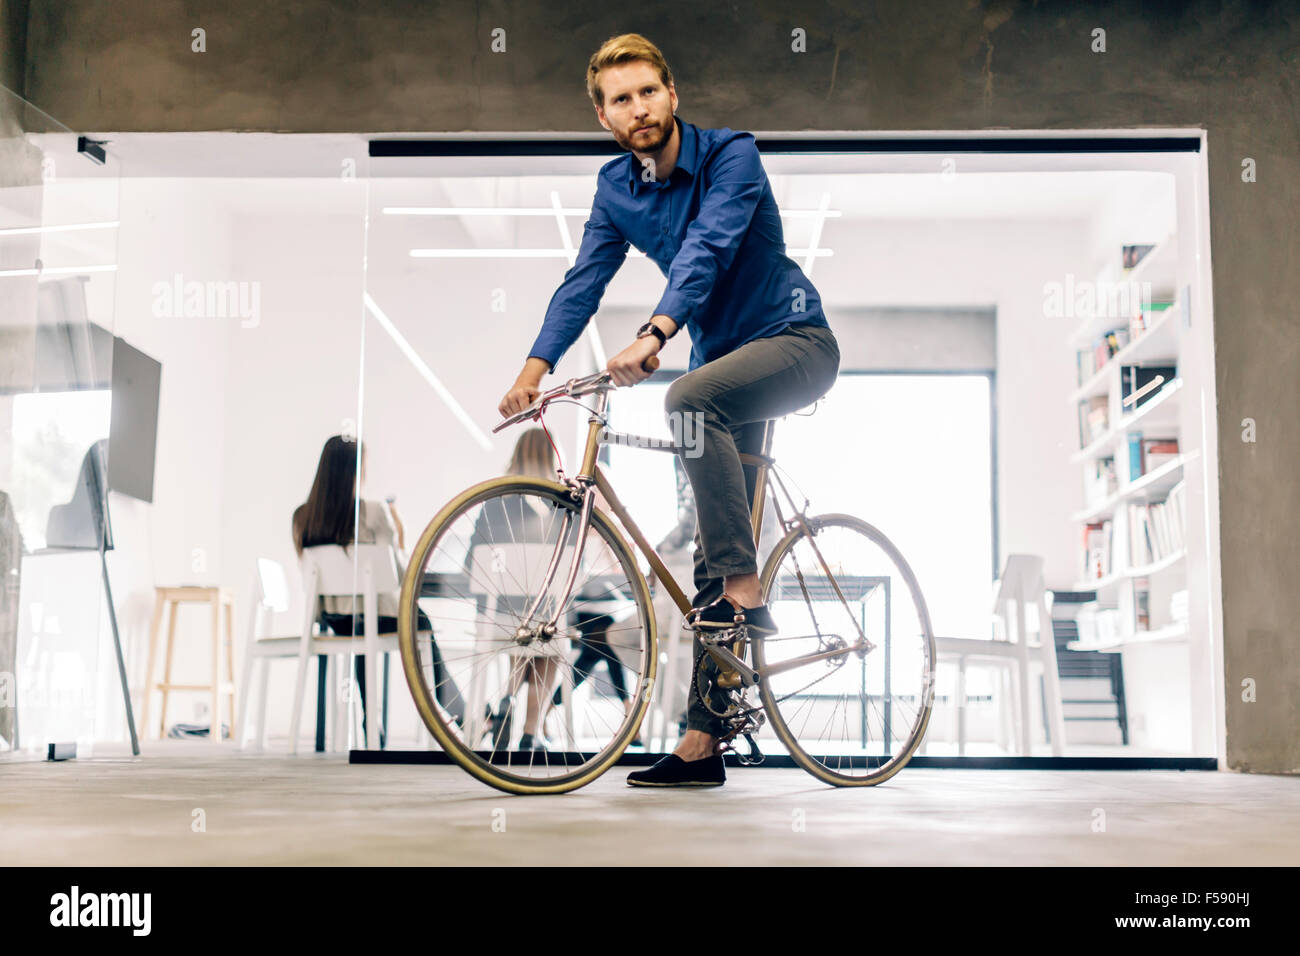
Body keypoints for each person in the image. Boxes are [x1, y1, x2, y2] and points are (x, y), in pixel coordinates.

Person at [497, 34, 840, 787]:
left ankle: (745, 588)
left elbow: (707, 249)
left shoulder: (731, 156)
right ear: (604, 116)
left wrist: (655, 333)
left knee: (686, 399)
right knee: (707, 540)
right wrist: (533, 371)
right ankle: (701, 745)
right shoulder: (615, 188)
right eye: (621, 100)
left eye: (648, 91)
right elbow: (584, 280)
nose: (639, 108)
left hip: (794, 342)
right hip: (721, 366)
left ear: (672, 94)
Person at [292, 435, 465, 748]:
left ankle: (372, 721)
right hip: (375, 617)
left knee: (366, 632)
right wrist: (400, 536)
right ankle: (463, 715)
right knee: (420, 623)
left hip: (334, 619)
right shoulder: (374, 512)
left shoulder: (302, 516)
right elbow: (398, 576)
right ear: (357, 470)